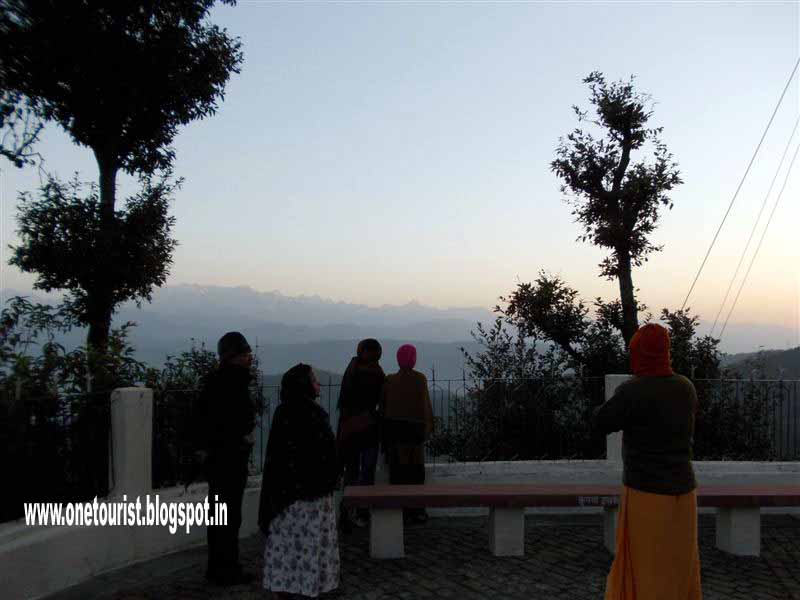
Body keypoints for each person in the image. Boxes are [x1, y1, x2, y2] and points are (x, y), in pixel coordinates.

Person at [594, 323, 702, 600]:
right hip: (684, 492)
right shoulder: (685, 387)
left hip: (647, 491)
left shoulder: (634, 390)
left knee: (647, 566)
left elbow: (601, 422)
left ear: (639, 353)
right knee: (679, 564)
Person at [259, 363, 341, 599]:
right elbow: (328, 455)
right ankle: (309, 586)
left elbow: (276, 458)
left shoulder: (282, 413)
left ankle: (284, 586)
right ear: (304, 385)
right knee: (310, 545)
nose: (318, 384)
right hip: (313, 496)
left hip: (285, 495)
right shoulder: (315, 415)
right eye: (313, 380)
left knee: (285, 546)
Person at [196, 331, 256, 586]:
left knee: (220, 515)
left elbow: (203, 420)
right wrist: (243, 437)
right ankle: (227, 569)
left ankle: (218, 566)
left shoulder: (215, 381)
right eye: (245, 353)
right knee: (229, 516)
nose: (249, 357)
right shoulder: (233, 383)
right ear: (234, 356)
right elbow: (235, 420)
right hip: (230, 457)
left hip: (218, 458)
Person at [380, 343, 434, 524]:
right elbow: (425, 407)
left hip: (394, 433)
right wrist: (428, 429)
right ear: (413, 359)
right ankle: (416, 510)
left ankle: (399, 510)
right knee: (416, 473)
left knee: (397, 472)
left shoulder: (389, 380)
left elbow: (383, 407)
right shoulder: (420, 379)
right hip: (415, 433)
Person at [336, 338, 385, 528]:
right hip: (369, 427)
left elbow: (344, 402)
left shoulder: (352, 369)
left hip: (349, 428)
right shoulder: (378, 373)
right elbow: (381, 402)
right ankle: (362, 512)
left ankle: (346, 511)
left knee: (351, 472)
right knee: (367, 472)